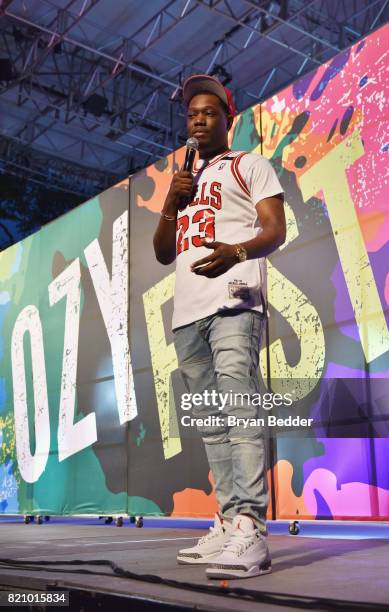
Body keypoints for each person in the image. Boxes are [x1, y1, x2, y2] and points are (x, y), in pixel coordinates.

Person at [153, 74, 285, 579]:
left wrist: (236, 252)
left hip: (233, 302)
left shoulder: (247, 164)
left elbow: (275, 228)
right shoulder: (182, 180)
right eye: (191, 114)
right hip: (187, 312)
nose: (198, 119)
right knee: (211, 422)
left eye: (209, 112)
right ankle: (229, 521)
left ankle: (251, 526)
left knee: (239, 407)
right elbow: (164, 252)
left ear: (228, 119)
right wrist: (171, 201)